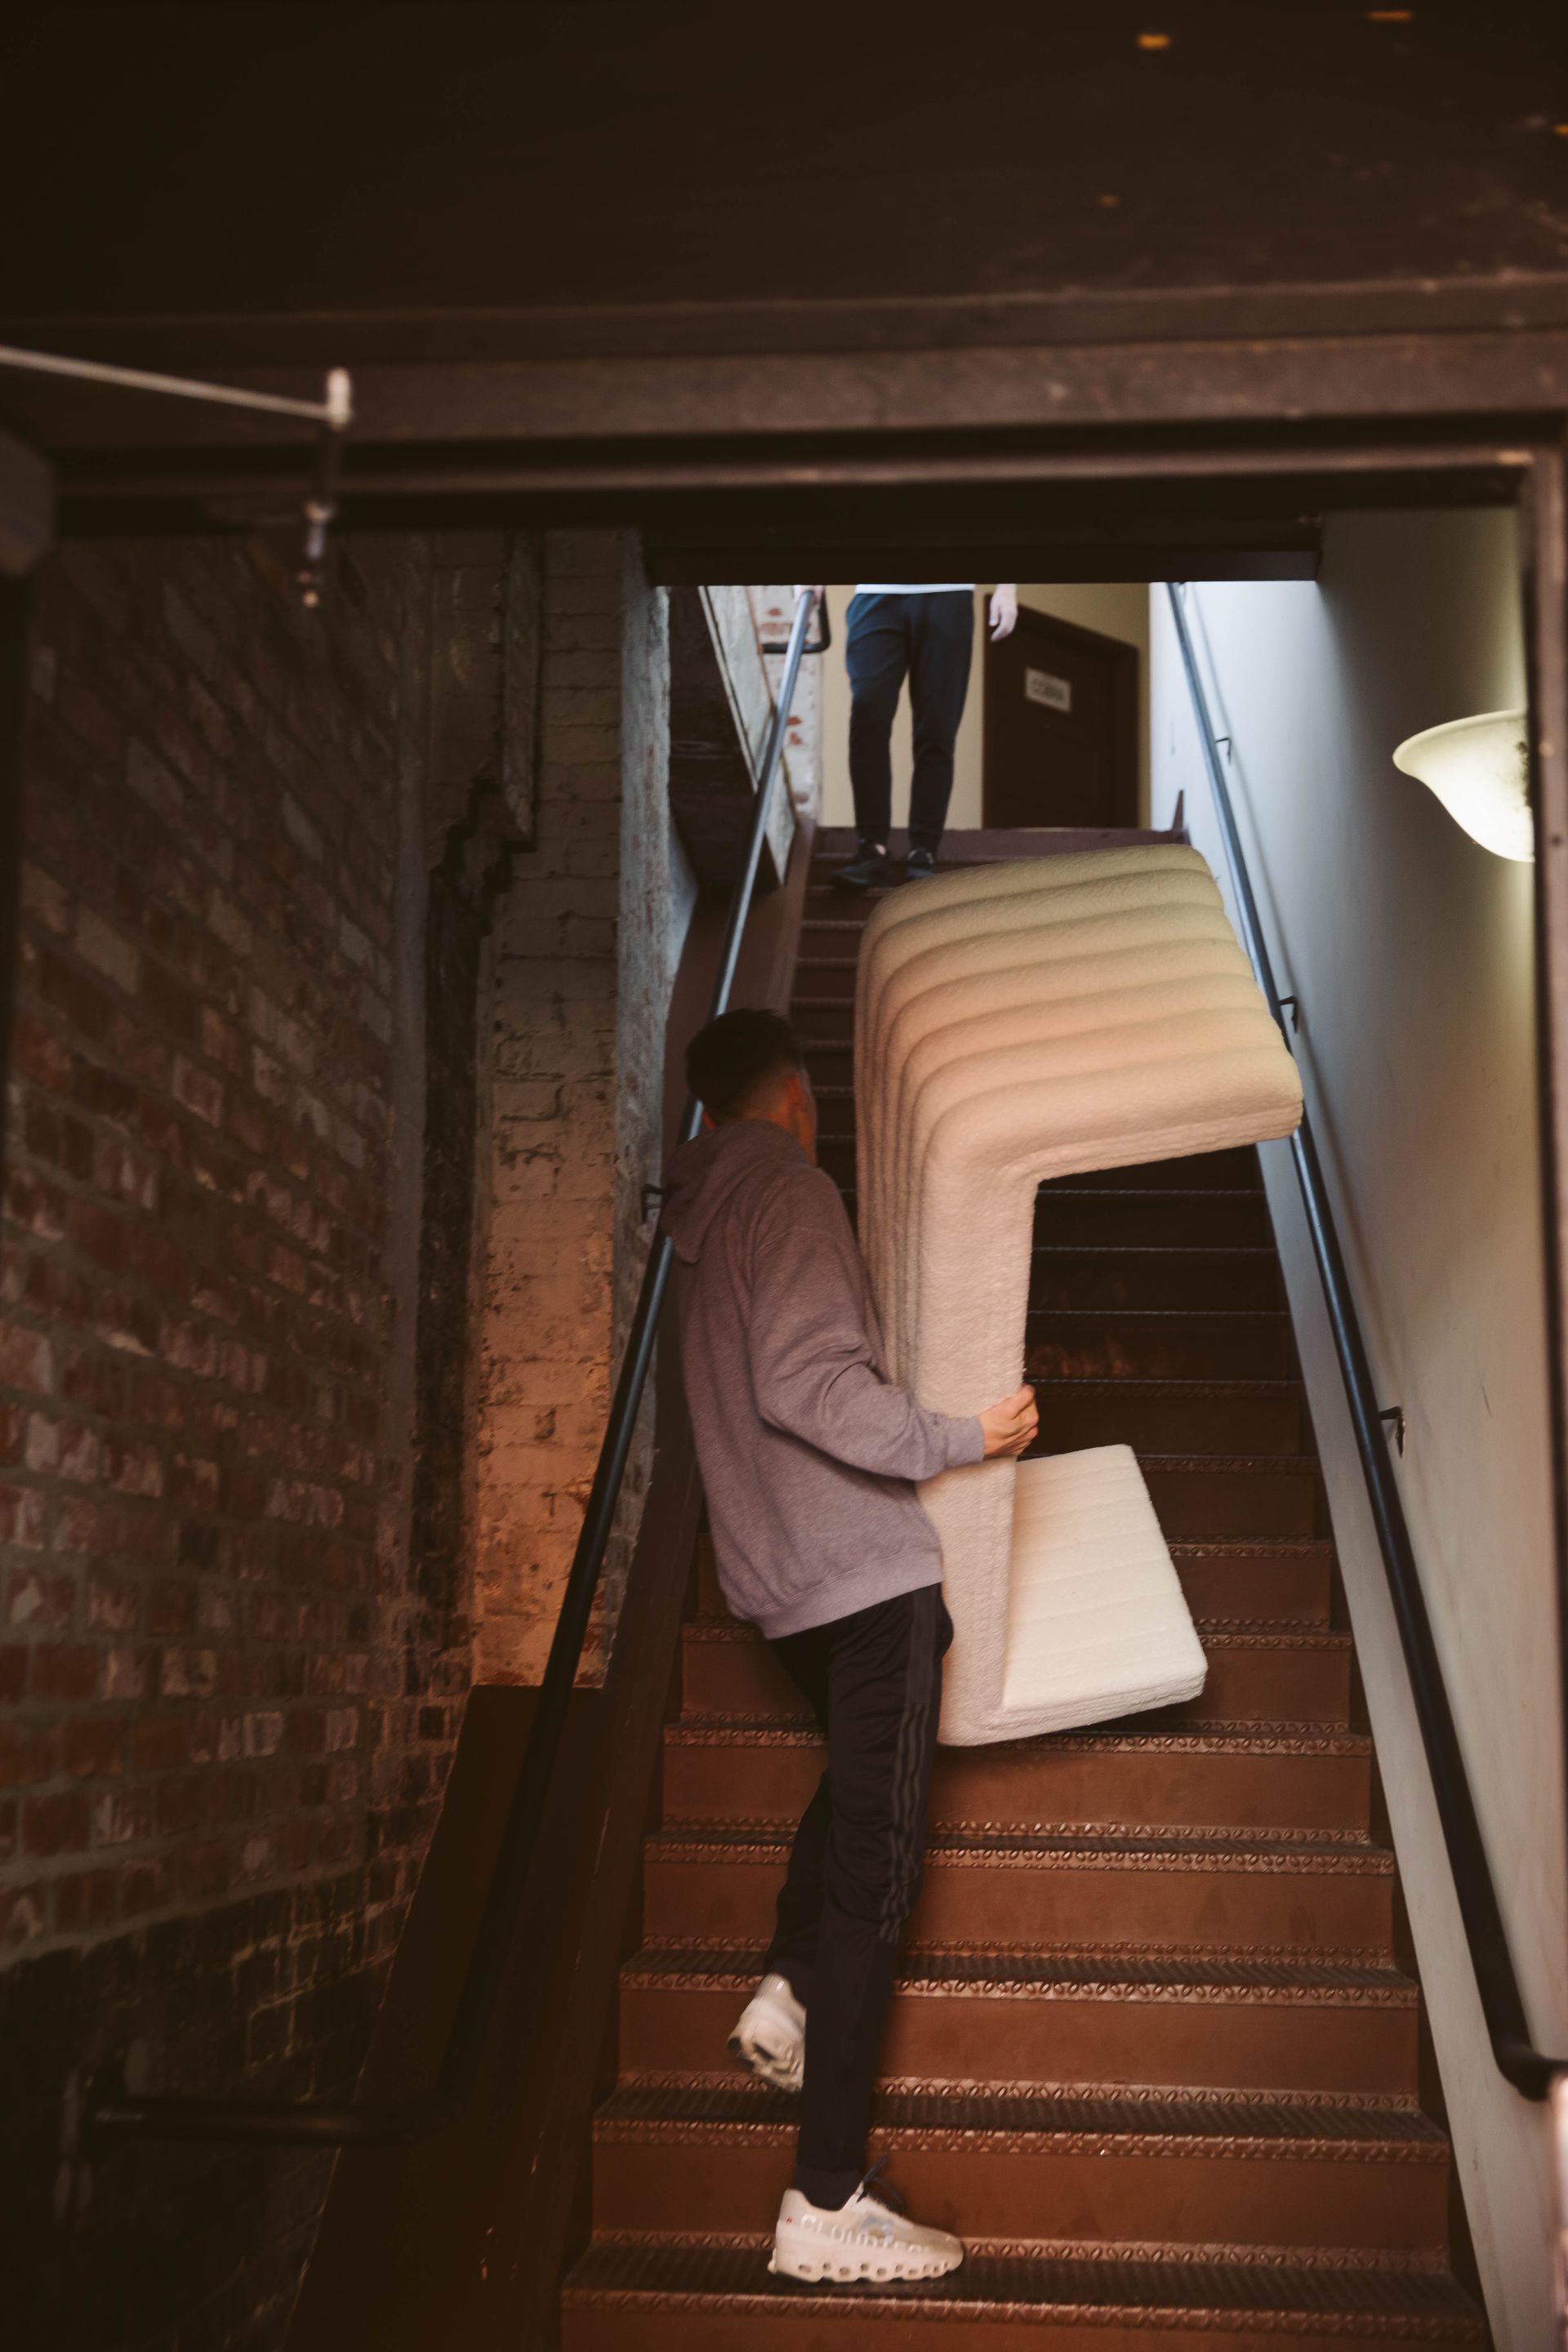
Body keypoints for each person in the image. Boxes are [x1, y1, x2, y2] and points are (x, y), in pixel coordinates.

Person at [659, 1007, 1039, 2285]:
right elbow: (808, 1385)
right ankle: (825, 2199)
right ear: (800, 1098)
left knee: (860, 1790)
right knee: (881, 1870)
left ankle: (790, 1983)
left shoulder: (698, 1223)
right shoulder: (794, 1192)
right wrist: (961, 1437)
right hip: (861, 1580)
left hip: (782, 1586)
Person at [799, 581, 1018, 893]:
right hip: (874, 594)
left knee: (936, 728)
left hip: (949, 593)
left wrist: (1007, 588)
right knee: (867, 715)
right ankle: (871, 850)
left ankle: (923, 852)